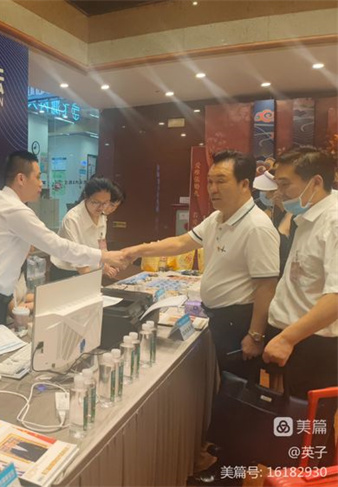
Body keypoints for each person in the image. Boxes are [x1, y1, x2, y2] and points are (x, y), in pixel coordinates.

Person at [120, 150, 279, 379]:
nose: (213, 189)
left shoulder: (257, 227)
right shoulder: (217, 217)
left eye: (221, 181)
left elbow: (266, 286)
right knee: (221, 381)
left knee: (237, 387)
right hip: (219, 317)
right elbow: (180, 243)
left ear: (245, 184)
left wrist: (255, 336)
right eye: (210, 182)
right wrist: (135, 251)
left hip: (239, 321)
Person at [0, 150, 130, 341]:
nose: (42, 183)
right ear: (21, 179)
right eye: (38, 177)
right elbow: (58, 246)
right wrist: (105, 256)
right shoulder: (14, 209)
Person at [263, 147, 338, 398]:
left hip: (313, 344)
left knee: (309, 417)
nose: (279, 193)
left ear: (316, 182)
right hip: (294, 336)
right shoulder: (309, 214)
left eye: (285, 184)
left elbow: (336, 297)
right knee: (288, 413)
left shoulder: (334, 221)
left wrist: (287, 339)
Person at [50, 177, 119, 281]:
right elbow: (77, 258)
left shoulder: (102, 216)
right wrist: (92, 282)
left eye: (105, 203)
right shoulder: (72, 219)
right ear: (86, 197)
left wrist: (107, 262)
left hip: (90, 270)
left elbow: (101, 245)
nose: (101, 207)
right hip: (67, 273)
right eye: (96, 202)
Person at [254, 170, 293, 276]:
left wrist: (285, 209)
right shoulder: (273, 212)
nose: (266, 195)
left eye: (270, 191)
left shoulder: (294, 216)